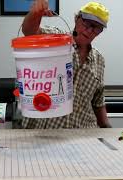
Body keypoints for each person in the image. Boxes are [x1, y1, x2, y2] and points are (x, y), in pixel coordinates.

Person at [20, 0, 111, 129]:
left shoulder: (99, 59)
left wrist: (108, 129)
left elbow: (98, 101)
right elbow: (29, 32)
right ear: (76, 19)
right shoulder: (56, 41)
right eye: (87, 23)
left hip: (84, 135)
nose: (90, 30)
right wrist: (36, 13)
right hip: (47, 133)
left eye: (97, 27)